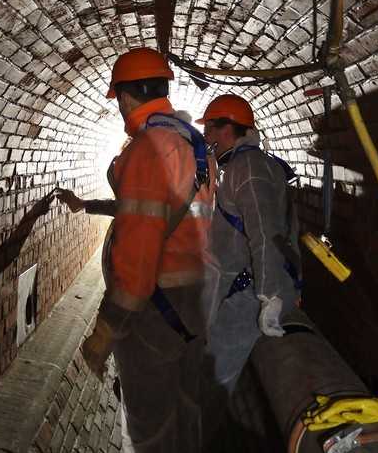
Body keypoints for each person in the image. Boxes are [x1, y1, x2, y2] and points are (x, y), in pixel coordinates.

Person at [59, 47, 215, 453]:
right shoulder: (194, 143)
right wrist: (88, 205)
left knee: (151, 428)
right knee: (187, 410)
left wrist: (106, 329)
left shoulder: (148, 148)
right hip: (196, 303)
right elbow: (164, 214)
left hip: (156, 312)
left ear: (126, 96)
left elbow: (138, 255)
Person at [197, 94, 302, 439]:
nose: (208, 138)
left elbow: (265, 233)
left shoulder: (249, 168)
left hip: (246, 297)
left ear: (228, 128)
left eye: (211, 129)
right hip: (237, 289)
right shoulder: (246, 164)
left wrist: (270, 296)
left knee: (213, 381)